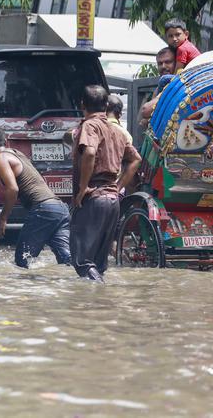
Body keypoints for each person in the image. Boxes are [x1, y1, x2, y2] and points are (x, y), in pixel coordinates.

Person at [71, 85, 142, 282]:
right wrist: (118, 187)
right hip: (112, 201)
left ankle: (96, 296)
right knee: (99, 264)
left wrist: (83, 187)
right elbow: (136, 159)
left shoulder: (90, 125)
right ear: (105, 105)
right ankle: (101, 307)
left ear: (82, 104)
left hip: (93, 198)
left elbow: (90, 152)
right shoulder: (116, 131)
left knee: (82, 262)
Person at [0, 125, 71, 268]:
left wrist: (3, 218)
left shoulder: (1, 157)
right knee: (67, 259)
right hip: (60, 208)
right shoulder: (17, 153)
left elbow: (12, 189)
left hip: (43, 209)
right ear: (5, 140)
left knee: (22, 261)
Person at [139, 46, 178, 124]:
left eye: (168, 62)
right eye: (160, 63)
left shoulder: (180, 85)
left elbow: (146, 110)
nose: (163, 66)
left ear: (177, 63)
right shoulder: (159, 87)